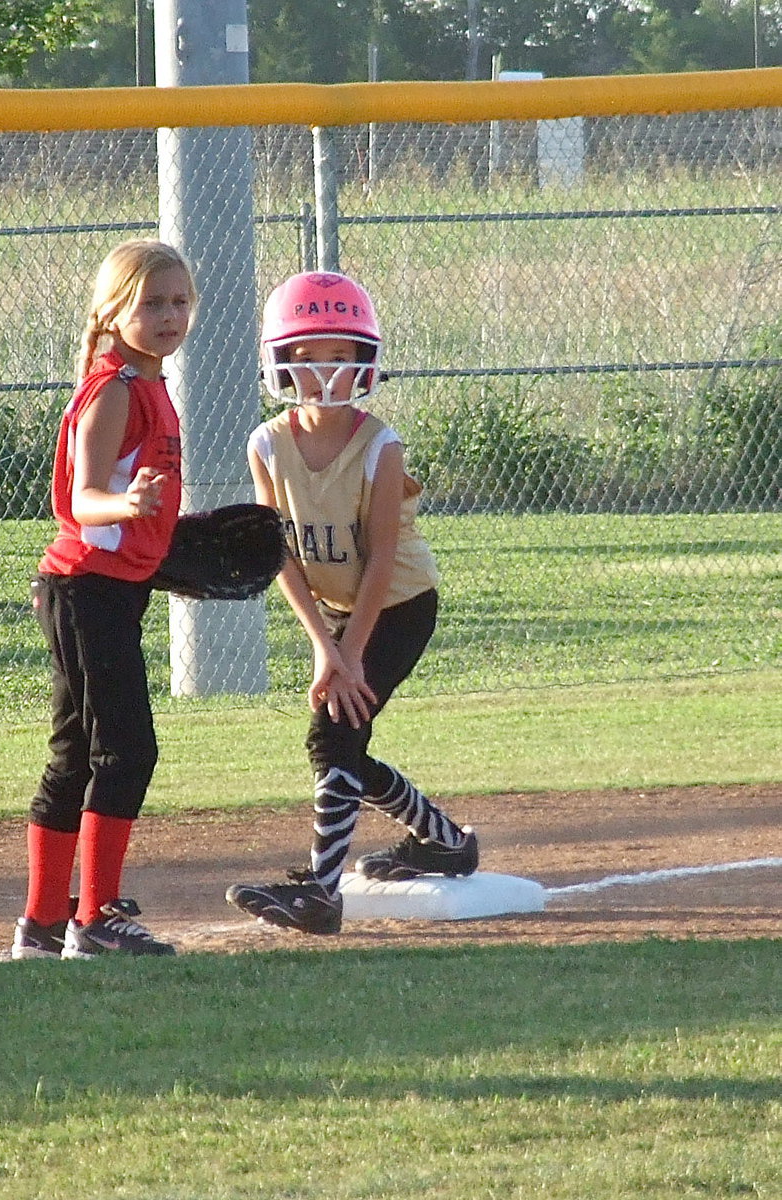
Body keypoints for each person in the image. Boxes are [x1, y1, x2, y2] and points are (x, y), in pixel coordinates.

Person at [226, 271, 478, 936]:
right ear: (281, 362)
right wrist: (323, 645)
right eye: (308, 357)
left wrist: (353, 652)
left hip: (397, 604)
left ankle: (322, 892)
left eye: (340, 354)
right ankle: (446, 842)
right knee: (344, 745)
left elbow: (383, 560)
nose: (325, 373)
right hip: (338, 615)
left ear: (363, 360)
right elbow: (277, 552)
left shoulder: (379, 446)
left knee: (332, 736)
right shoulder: (267, 444)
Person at [12, 239, 196, 960]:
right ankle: (94, 918)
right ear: (114, 311)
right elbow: (84, 500)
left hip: (104, 590)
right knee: (126, 750)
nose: (168, 315)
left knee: (77, 755)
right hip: (85, 588)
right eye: (151, 302)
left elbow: (135, 517)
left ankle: (43, 923)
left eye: (179, 301)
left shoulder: (148, 382)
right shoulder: (115, 386)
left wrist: (166, 543)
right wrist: (129, 505)